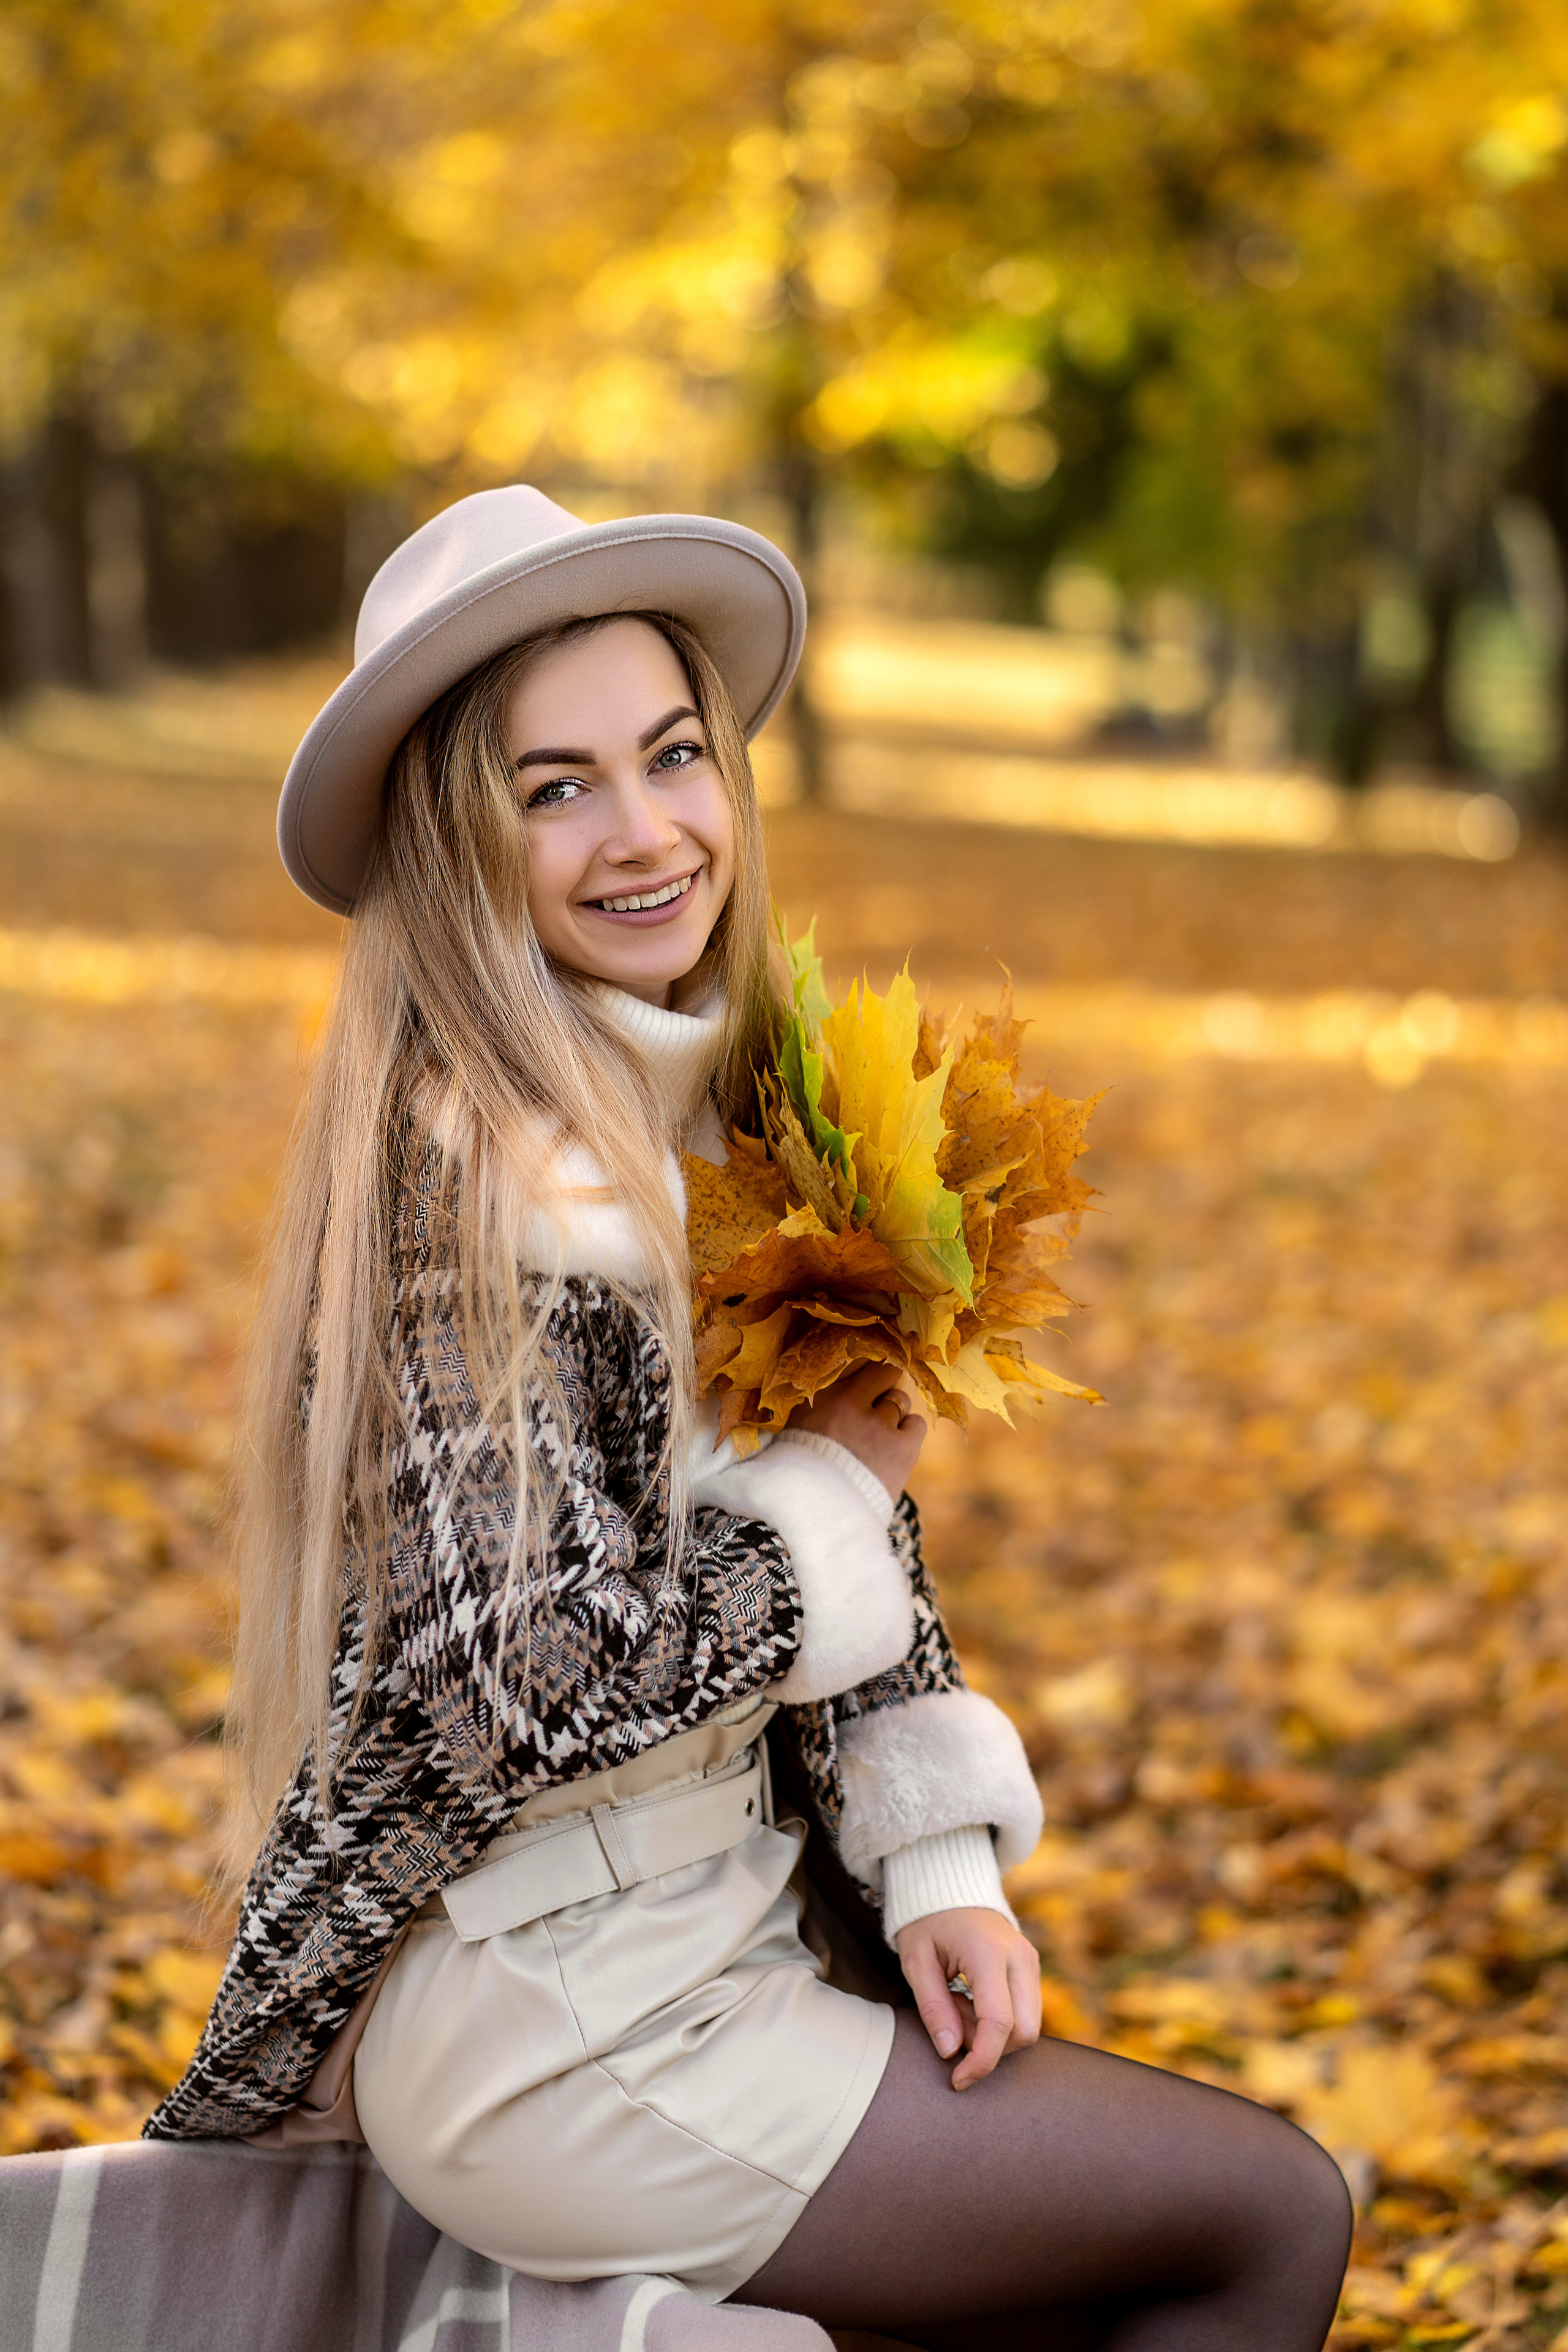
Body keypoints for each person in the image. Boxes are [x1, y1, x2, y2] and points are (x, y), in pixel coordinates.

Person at [146, 488, 1353, 2348]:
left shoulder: (725, 1113)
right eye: (554, 791)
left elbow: (856, 1512)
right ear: (459, 849)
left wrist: (932, 1855)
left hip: (712, 1936)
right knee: (1263, 2216)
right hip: (561, 2017)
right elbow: (517, 1676)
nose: (643, 835)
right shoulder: (490, 1185)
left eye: (673, 756)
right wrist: (809, 1513)